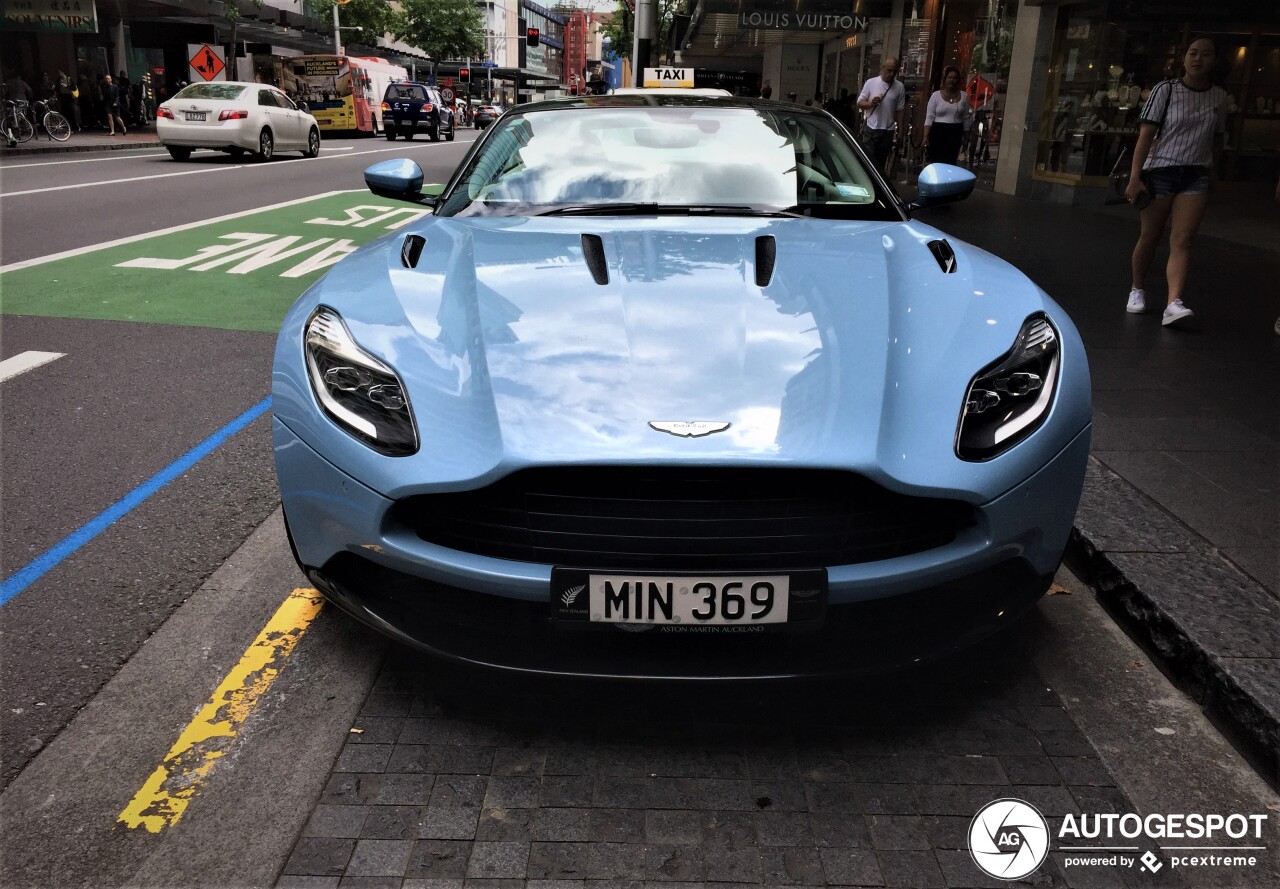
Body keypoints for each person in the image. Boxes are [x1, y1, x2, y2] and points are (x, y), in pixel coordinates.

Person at [1124, 35, 1227, 328]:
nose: (1198, 59)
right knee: (1150, 236)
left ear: (1214, 61)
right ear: (1183, 59)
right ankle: (1137, 289)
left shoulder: (1219, 97)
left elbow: (1217, 139)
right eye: (1193, 53)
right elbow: (1145, 136)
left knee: (1183, 239)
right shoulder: (1165, 90)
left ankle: (1174, 302)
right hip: (1160, 172)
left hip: (1196, 174)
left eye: (1206, 54)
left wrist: (1214, 173)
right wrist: (1135, 177)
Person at [857, 58, 905, 175]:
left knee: (881, 163)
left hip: (888, 130)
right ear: (883, 68)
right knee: (868, 160)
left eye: (895, 71)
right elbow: (860, 102)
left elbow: (900, 110)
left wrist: (900, 129)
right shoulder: (871, 83)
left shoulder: (899, 87)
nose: (891, 74)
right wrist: (870, 103)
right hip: (871, 128)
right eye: (889, 70)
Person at [922, 65, 971, 166]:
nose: (952, 80)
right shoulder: (935, 96)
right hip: (938, 132)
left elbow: (966, 118)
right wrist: (925, 136)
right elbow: (929, 117)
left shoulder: (964, 96)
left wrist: (966, 137)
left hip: (955, 132)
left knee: (950, 162)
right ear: (945, 79)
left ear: (958, 81)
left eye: (955, 78)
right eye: (950, 77)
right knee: (936, 162)